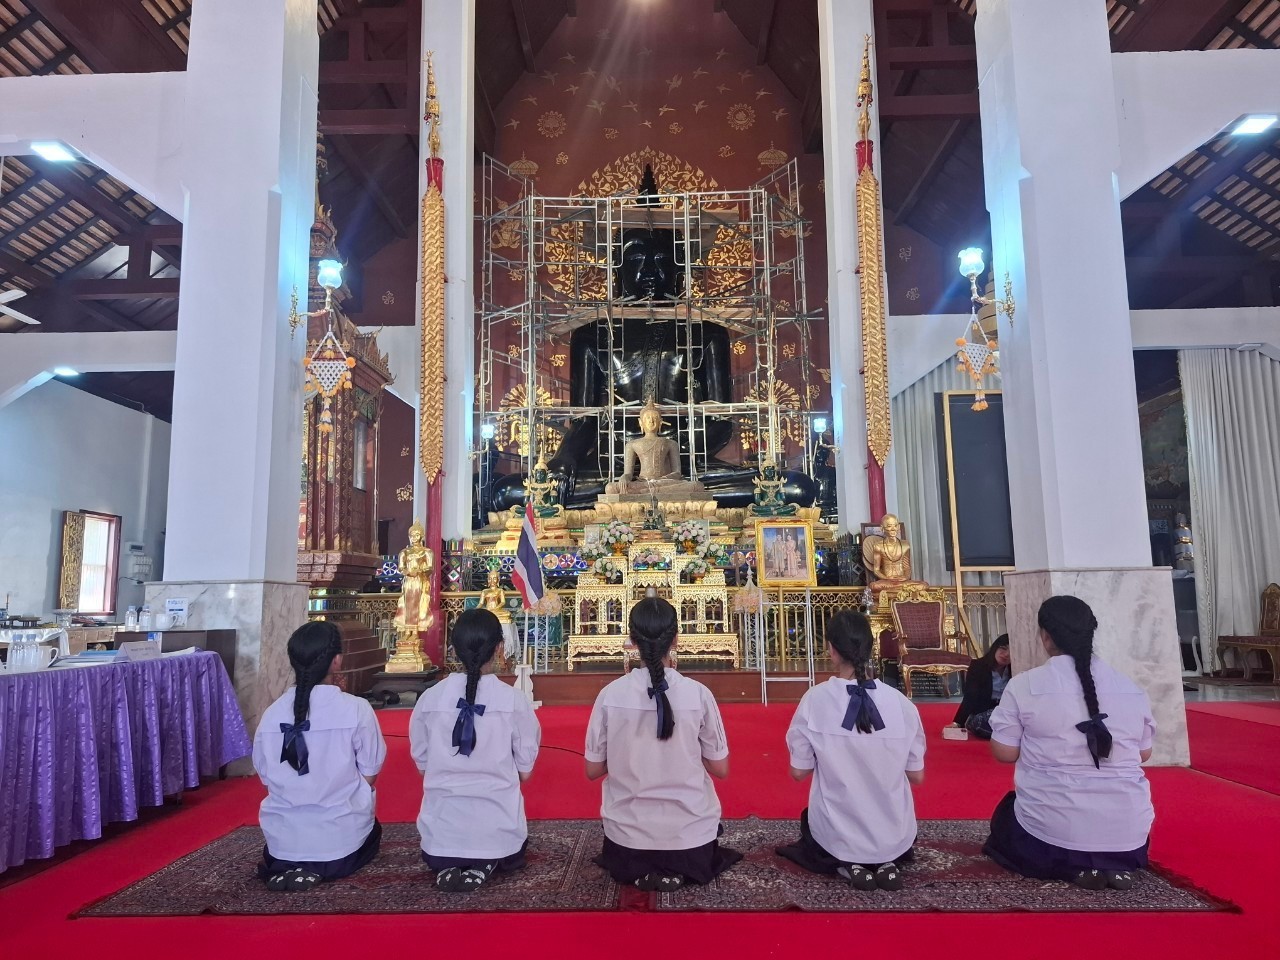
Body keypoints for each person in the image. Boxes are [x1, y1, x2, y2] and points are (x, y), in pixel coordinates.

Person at [983, 596, 1156, 891]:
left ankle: (1075, 867)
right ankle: (1116, 865)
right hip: (1129, 836)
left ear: (1045, 637)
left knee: (1006, 815)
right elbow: (1144, 753)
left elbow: (1005, 752)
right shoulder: (1131, 687)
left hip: (1051, 840)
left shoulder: (1025, 685)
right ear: (1091, 633)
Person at [584, 596, 742, 892]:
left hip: (628, 840)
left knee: (627, 851)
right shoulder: (698, 694)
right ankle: (675, 868)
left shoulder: (610, 695)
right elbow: (720, 768)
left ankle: (643, 869)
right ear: (676, 639)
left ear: (632, 641)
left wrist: (624, 752)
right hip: (690, 838)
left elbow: (593, 770)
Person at [776, 610, 925, 891]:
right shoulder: (902, 704)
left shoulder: (815, 700)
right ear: (871, 648)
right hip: (894, 833)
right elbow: (916, 776)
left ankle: (850, 862)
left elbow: (799, 772)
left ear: (831, 650)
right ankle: (885, 860)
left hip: (836, 834)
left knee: (812, 824)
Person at [410, 608, 540, 892]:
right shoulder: (513, 701)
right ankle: (485, 859)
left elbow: (422, 765)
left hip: (439, 837)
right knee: (503, 843)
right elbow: (525, 772)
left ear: (453, 649)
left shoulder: (430, 699)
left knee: (443, 840)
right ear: (500, 648)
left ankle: (451, 860)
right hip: (499, 835)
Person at [252, 621, 386, 892]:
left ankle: (293, 865)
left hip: (282, 844)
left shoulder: (271, 715)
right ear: (337, 661)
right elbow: (370, 774)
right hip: (340, 846)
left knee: (288, 843)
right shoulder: (356, 709)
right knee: (373, 833)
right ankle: (318, 865)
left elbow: (266, 778)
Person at [951, 634, 1012, 739]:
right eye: (1003, 648)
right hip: (982, 713)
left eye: (1011, 652)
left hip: (1006, 712)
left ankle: (1006, 734)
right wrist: (957, 723)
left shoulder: (1015, 669)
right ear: (995, 647)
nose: (1006, 654)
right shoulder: (978, 666)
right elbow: (970, 696)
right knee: (984, 722)